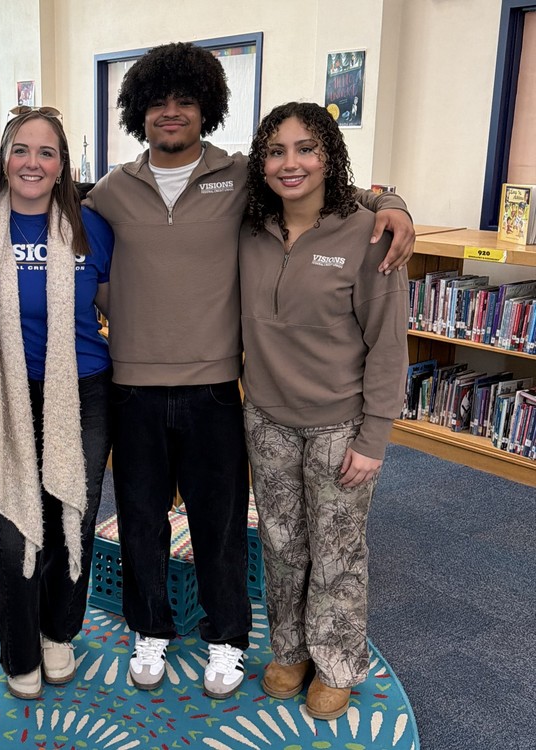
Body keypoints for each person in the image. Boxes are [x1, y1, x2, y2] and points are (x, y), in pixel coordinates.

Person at [83, 42, 415, 700]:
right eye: (157, 102)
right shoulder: (112, 191)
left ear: (207, 110)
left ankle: (236, 639)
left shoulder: (238, 179)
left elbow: (335, 194)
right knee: (157, 519)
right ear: (135, 112)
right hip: (153, 391)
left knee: (230, 525)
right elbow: (68, 239)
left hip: (220, 392)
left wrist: (394, 202)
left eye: (185, 101)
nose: (171, 113)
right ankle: (161, 630)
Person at [240, 101, 409, 719]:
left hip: (341, 423)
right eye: (277, 151)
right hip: (265, 416)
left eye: (306, 148)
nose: (291, 163)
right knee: (282, 543)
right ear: (262, 162)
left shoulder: (368, 233)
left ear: (329, 156)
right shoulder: (249, 226)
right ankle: (289, 649)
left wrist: (375, 437)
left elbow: (389, 343)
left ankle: (337, 658)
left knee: (338, 548)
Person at [0, 106, 113, 699]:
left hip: (83, 391)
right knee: (11, 526)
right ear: (4, 158)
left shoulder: (91, 227)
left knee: (72, 510)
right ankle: (20, 649)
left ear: (63, 164)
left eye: (47, 152)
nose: (33, 162)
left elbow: (117, 306)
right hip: (2, 392)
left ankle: (58, 632)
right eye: (21, 149)